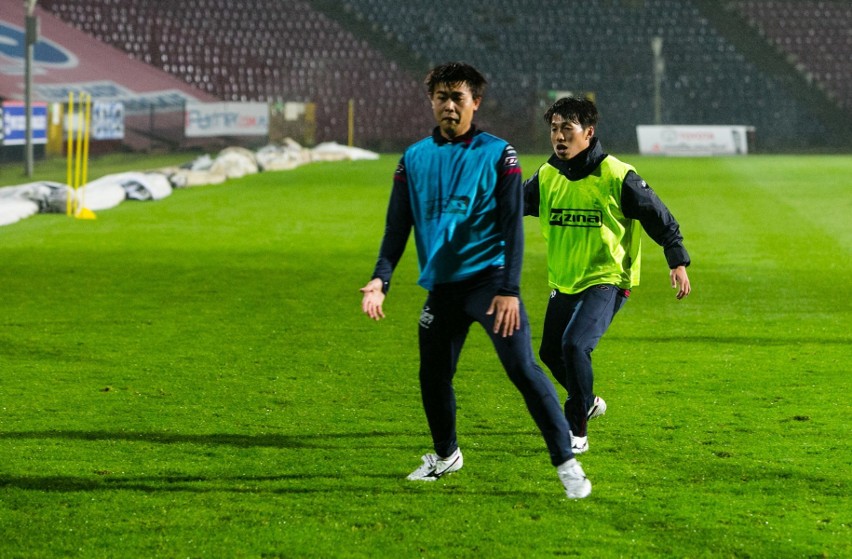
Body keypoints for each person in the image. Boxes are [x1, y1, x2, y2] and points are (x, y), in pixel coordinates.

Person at [360, 63, 591, 499]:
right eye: (441, 97)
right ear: (432, 101)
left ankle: (565, 461)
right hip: (442, 290)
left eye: (458, 98)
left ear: (475, 103)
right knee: (432, 375)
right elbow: (397, 227)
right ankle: (446, 455)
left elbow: (511, 227)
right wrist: (380, 280)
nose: (449, 105)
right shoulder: (413, 159)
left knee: (522, 368)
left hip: (489, 285)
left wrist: (509, 291)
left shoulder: (498, 154)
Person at [523, 96, 692, 455]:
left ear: (588, 132)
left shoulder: (617, 175)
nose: (559, 137)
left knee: (574, 345)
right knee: (551, 352)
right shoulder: (548, 175)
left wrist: (676, 260)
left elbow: (658, 216)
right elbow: (509, 208)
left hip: (608, 279)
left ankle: (577, 431)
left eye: (567, 129)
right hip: (564, 280)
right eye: (554, 129)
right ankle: (587, 400)